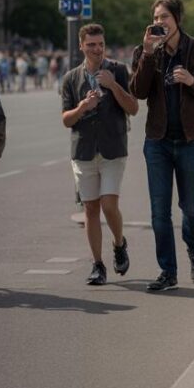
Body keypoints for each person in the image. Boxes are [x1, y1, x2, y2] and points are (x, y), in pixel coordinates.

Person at [131, 0, 194, 291]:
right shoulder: (146, 51)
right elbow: (139, 92)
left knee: (190, 207)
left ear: (177, 20)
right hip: (157, 141)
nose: (159, 23)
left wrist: (192, 82)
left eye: (165, 18)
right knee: (159, 212)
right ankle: (167, 272)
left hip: (189, 141)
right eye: (155, 18)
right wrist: (146, 54)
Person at [60, 23, 137, 285]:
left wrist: (114, 86)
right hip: (83, 152)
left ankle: (118, 244)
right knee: (90, 209)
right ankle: (98, 265)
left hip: (113, 150)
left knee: (108, 204)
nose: (97, 49)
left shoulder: (117, 70)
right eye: (91, 44)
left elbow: (133, 108)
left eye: (101, 44)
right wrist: (82, 106)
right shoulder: (71, 78)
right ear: (81, 46)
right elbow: (67, 120)